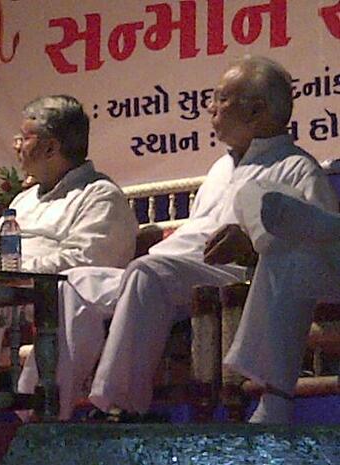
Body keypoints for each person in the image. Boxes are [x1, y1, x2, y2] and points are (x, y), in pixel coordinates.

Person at [17, 55, 338, 423]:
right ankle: (40, 412)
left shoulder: (297, 168)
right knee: (73, 282)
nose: (211, 107)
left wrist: (252, 247)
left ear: (256, 110)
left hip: (231, 278)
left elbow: (319, 251)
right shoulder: (221, 168)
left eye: (221, 98)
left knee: (148, 273)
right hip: (170, 270)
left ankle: (122, 407)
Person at [0, 95, 138, 394]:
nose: (16, 146)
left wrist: (17, 272)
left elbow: (86, 265)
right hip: (7, 289)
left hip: (53, 297)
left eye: (24, 138)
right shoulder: (24, 199)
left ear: (51, 147)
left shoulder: (100, 196)